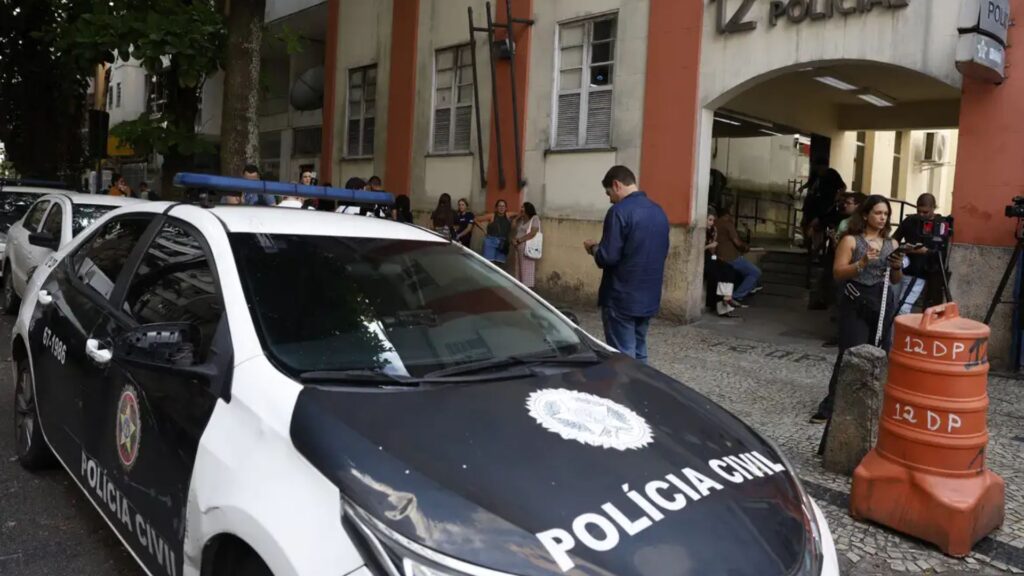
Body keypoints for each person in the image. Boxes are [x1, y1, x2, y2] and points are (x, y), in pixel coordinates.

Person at [811, 195, 904, 425]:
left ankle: (872, 404)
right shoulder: (851, 240)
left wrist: (897, 267)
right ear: (865, 215)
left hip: (882, 301)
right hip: (856, 300)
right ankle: (832, 404)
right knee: (850, 354)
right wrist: (861, 263)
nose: (882, 218)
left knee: (881, 353)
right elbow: (838, 272)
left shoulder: (892, 244)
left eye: (886, 214)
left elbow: (895, 280)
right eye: (878, 213)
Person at [584, 166, 670, 362]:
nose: (609, 199)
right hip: (648, 296)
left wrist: (593, 248)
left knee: (622, 357)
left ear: (616, 185)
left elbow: (607, 257)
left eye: (609, 193)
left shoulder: (618, 212)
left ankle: (626, 392)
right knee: (640, 351)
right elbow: (662, 252)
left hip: (621, 296)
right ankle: (643, 390)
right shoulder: (659, 212)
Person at [893, 193, 939, 315]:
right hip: (901, 266)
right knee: (892, 305)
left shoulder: (940, 224)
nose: (921, 215)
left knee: (903, 308)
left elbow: (939, 251)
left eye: (925, 212)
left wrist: (926, 251)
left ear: (933, 208)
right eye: (919, 211)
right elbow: (894, 240)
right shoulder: (909, 220)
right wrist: (908, 249)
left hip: (921, 271)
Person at [714, 203, 761, 307]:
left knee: (745, 273)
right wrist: (745, 247)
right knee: (755, 272)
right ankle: (736, 297)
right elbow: (737, 242)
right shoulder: (727, 223)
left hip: (719, 256)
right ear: (727, 215)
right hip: (731, 257)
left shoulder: (715, 223)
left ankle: (747, 289)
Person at [801, 160, 847, 255]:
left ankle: (817, 250)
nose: (819, 170)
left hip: (827, 205)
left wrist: (836, 197)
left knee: (819, 226)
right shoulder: (816, 175)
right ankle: (811, 247)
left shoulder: (832, 174)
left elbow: (843, 186)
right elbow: (810, 183)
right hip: (814, 204)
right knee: (806, 224)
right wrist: (803, 188)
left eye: (820, 168)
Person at [705, 209, 738, 318]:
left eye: (713, 220)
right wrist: (709, 246)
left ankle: (727, 298)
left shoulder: (713, 230)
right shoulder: (701, 232)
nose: (712, 222)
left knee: (728, 269)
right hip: (703, 258)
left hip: (712, 257)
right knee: (717, 276)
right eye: (709, 220)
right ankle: (721, 307)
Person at [511, 202, 542, 288]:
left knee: (526, 270)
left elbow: (533, 233)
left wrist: (519, 240)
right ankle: (520, 288)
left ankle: (527, 289)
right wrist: (517, 217)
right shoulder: (521, 220)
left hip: (527, 249)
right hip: (518, 249)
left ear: (528, 209)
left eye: (523, 207)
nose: (521, 209)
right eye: (521, 207)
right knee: (518, 270)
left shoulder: (535, 219)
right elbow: (513, 227)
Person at [475, 199, 513, 266]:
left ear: (506, 208)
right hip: (491, 241)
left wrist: (516, 219)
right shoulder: (492, 215)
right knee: (488, 264)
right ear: (496, 207)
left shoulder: (508, 215)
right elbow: (476, 219)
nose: (501, 208)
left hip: (503, 243)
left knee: (499, 265)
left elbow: (518, 213)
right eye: (499, 206)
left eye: (503, 206)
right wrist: (484, 229)